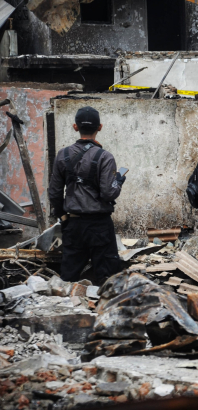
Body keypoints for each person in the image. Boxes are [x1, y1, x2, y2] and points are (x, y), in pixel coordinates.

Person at [48, 106, 126, 284]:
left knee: (68, 277)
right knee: (107, 279)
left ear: (75, 127)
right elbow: (109, 193)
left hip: (73, 223)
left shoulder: (62, 155)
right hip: (99, 225)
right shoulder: (105, 157)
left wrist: (63, 216)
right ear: (100, 127)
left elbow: (54, 192)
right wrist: (119, 180)